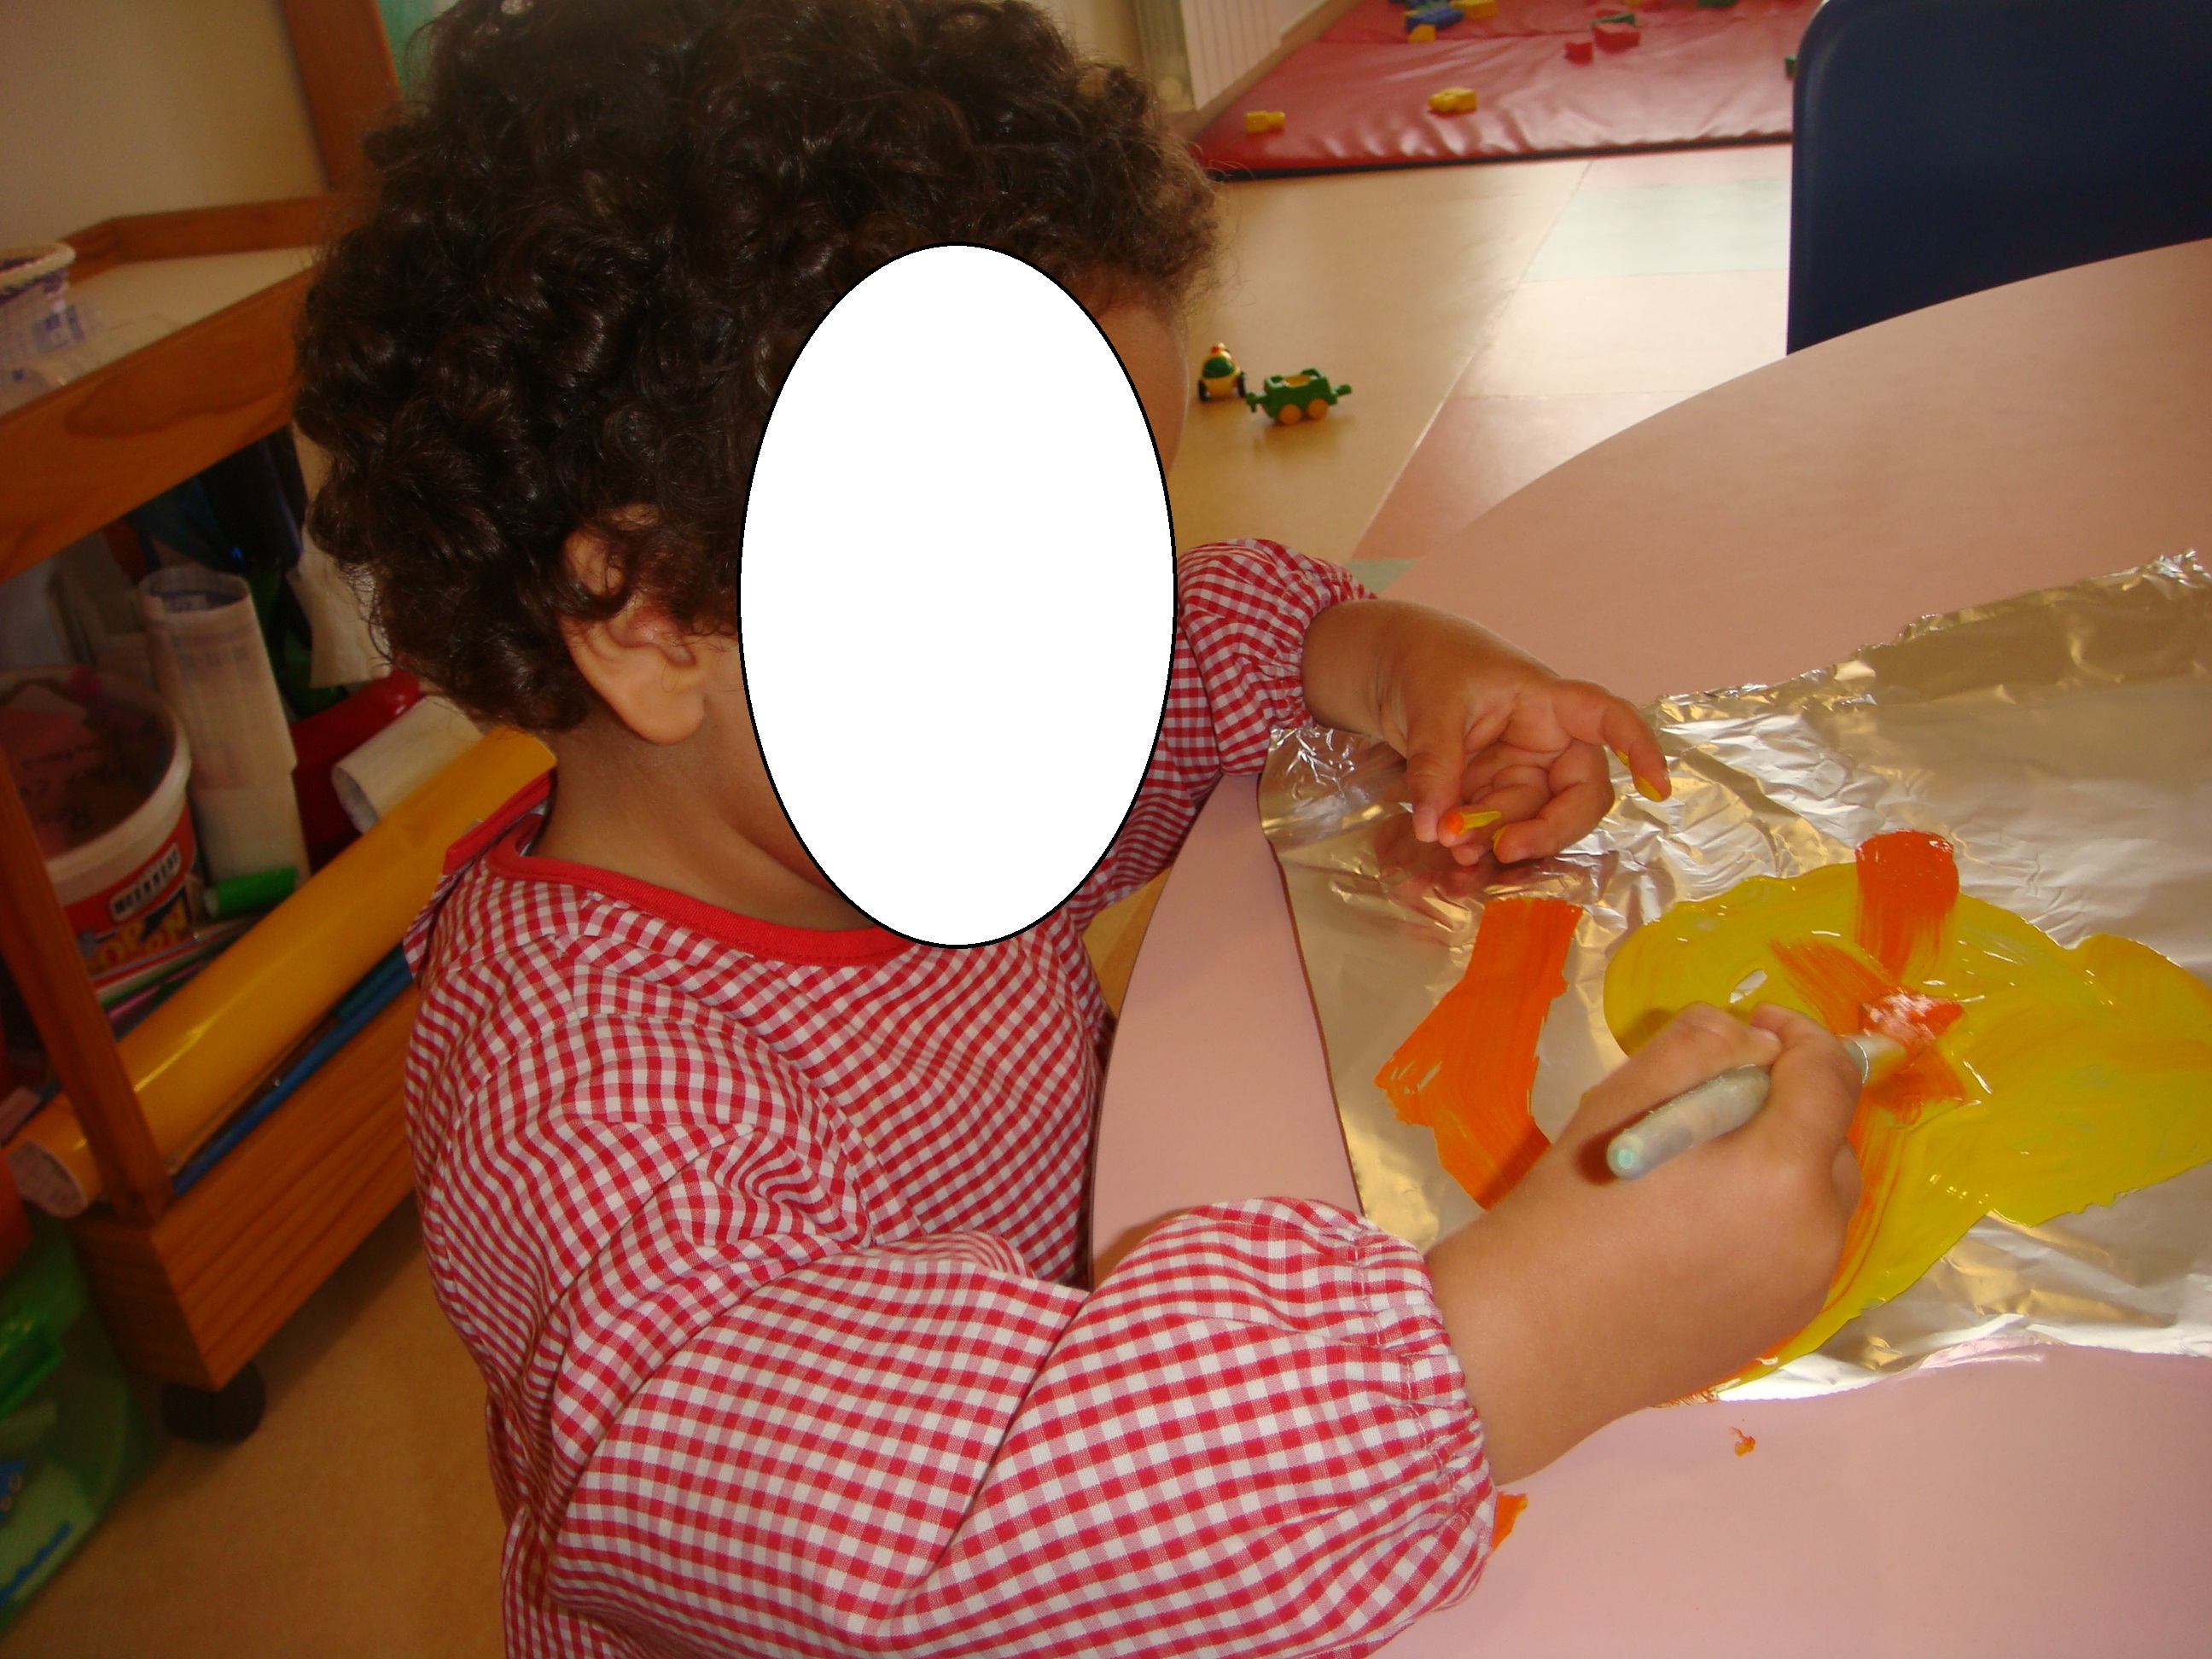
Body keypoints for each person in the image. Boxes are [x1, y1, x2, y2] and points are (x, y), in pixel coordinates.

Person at [294, 2, 1864, 1653]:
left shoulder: (901, 765)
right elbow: (909, 1530)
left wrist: (1398, 666)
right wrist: (1519, 1340)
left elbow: (1200, 666)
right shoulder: (576, 1101)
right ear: (655, 616)